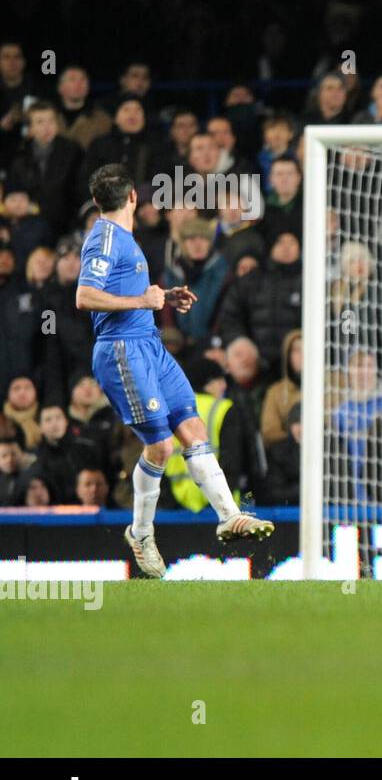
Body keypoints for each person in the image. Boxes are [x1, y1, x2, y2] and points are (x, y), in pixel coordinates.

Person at [76, 163, 273, 578]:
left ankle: (229, 514)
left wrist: (161, 297)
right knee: (162, 447)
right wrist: (143, 304)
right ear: (133, 197)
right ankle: (141, 532)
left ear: (98, 200)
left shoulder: (125, 239)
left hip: (150, 344)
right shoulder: (105, 237)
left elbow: (128, 293)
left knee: (193, 426)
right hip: (122, 351)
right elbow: (85, 296)